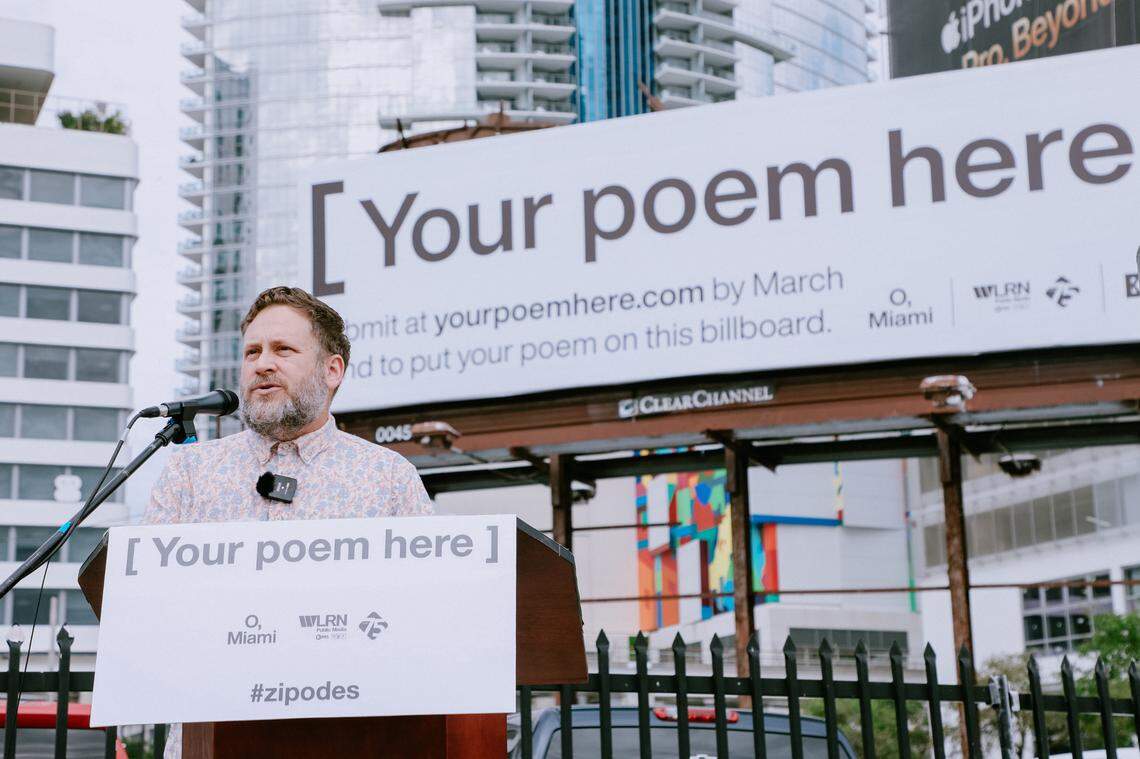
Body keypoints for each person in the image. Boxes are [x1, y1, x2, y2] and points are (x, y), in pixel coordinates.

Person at [144, 286, 432, 758]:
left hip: (346, 737)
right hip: (209, 734)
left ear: (332, 370)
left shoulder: (388, 477)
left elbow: (423, 614)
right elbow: (148, 606)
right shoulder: (189, 473)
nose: (262, 364)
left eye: (284, 349)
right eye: (252, 351)